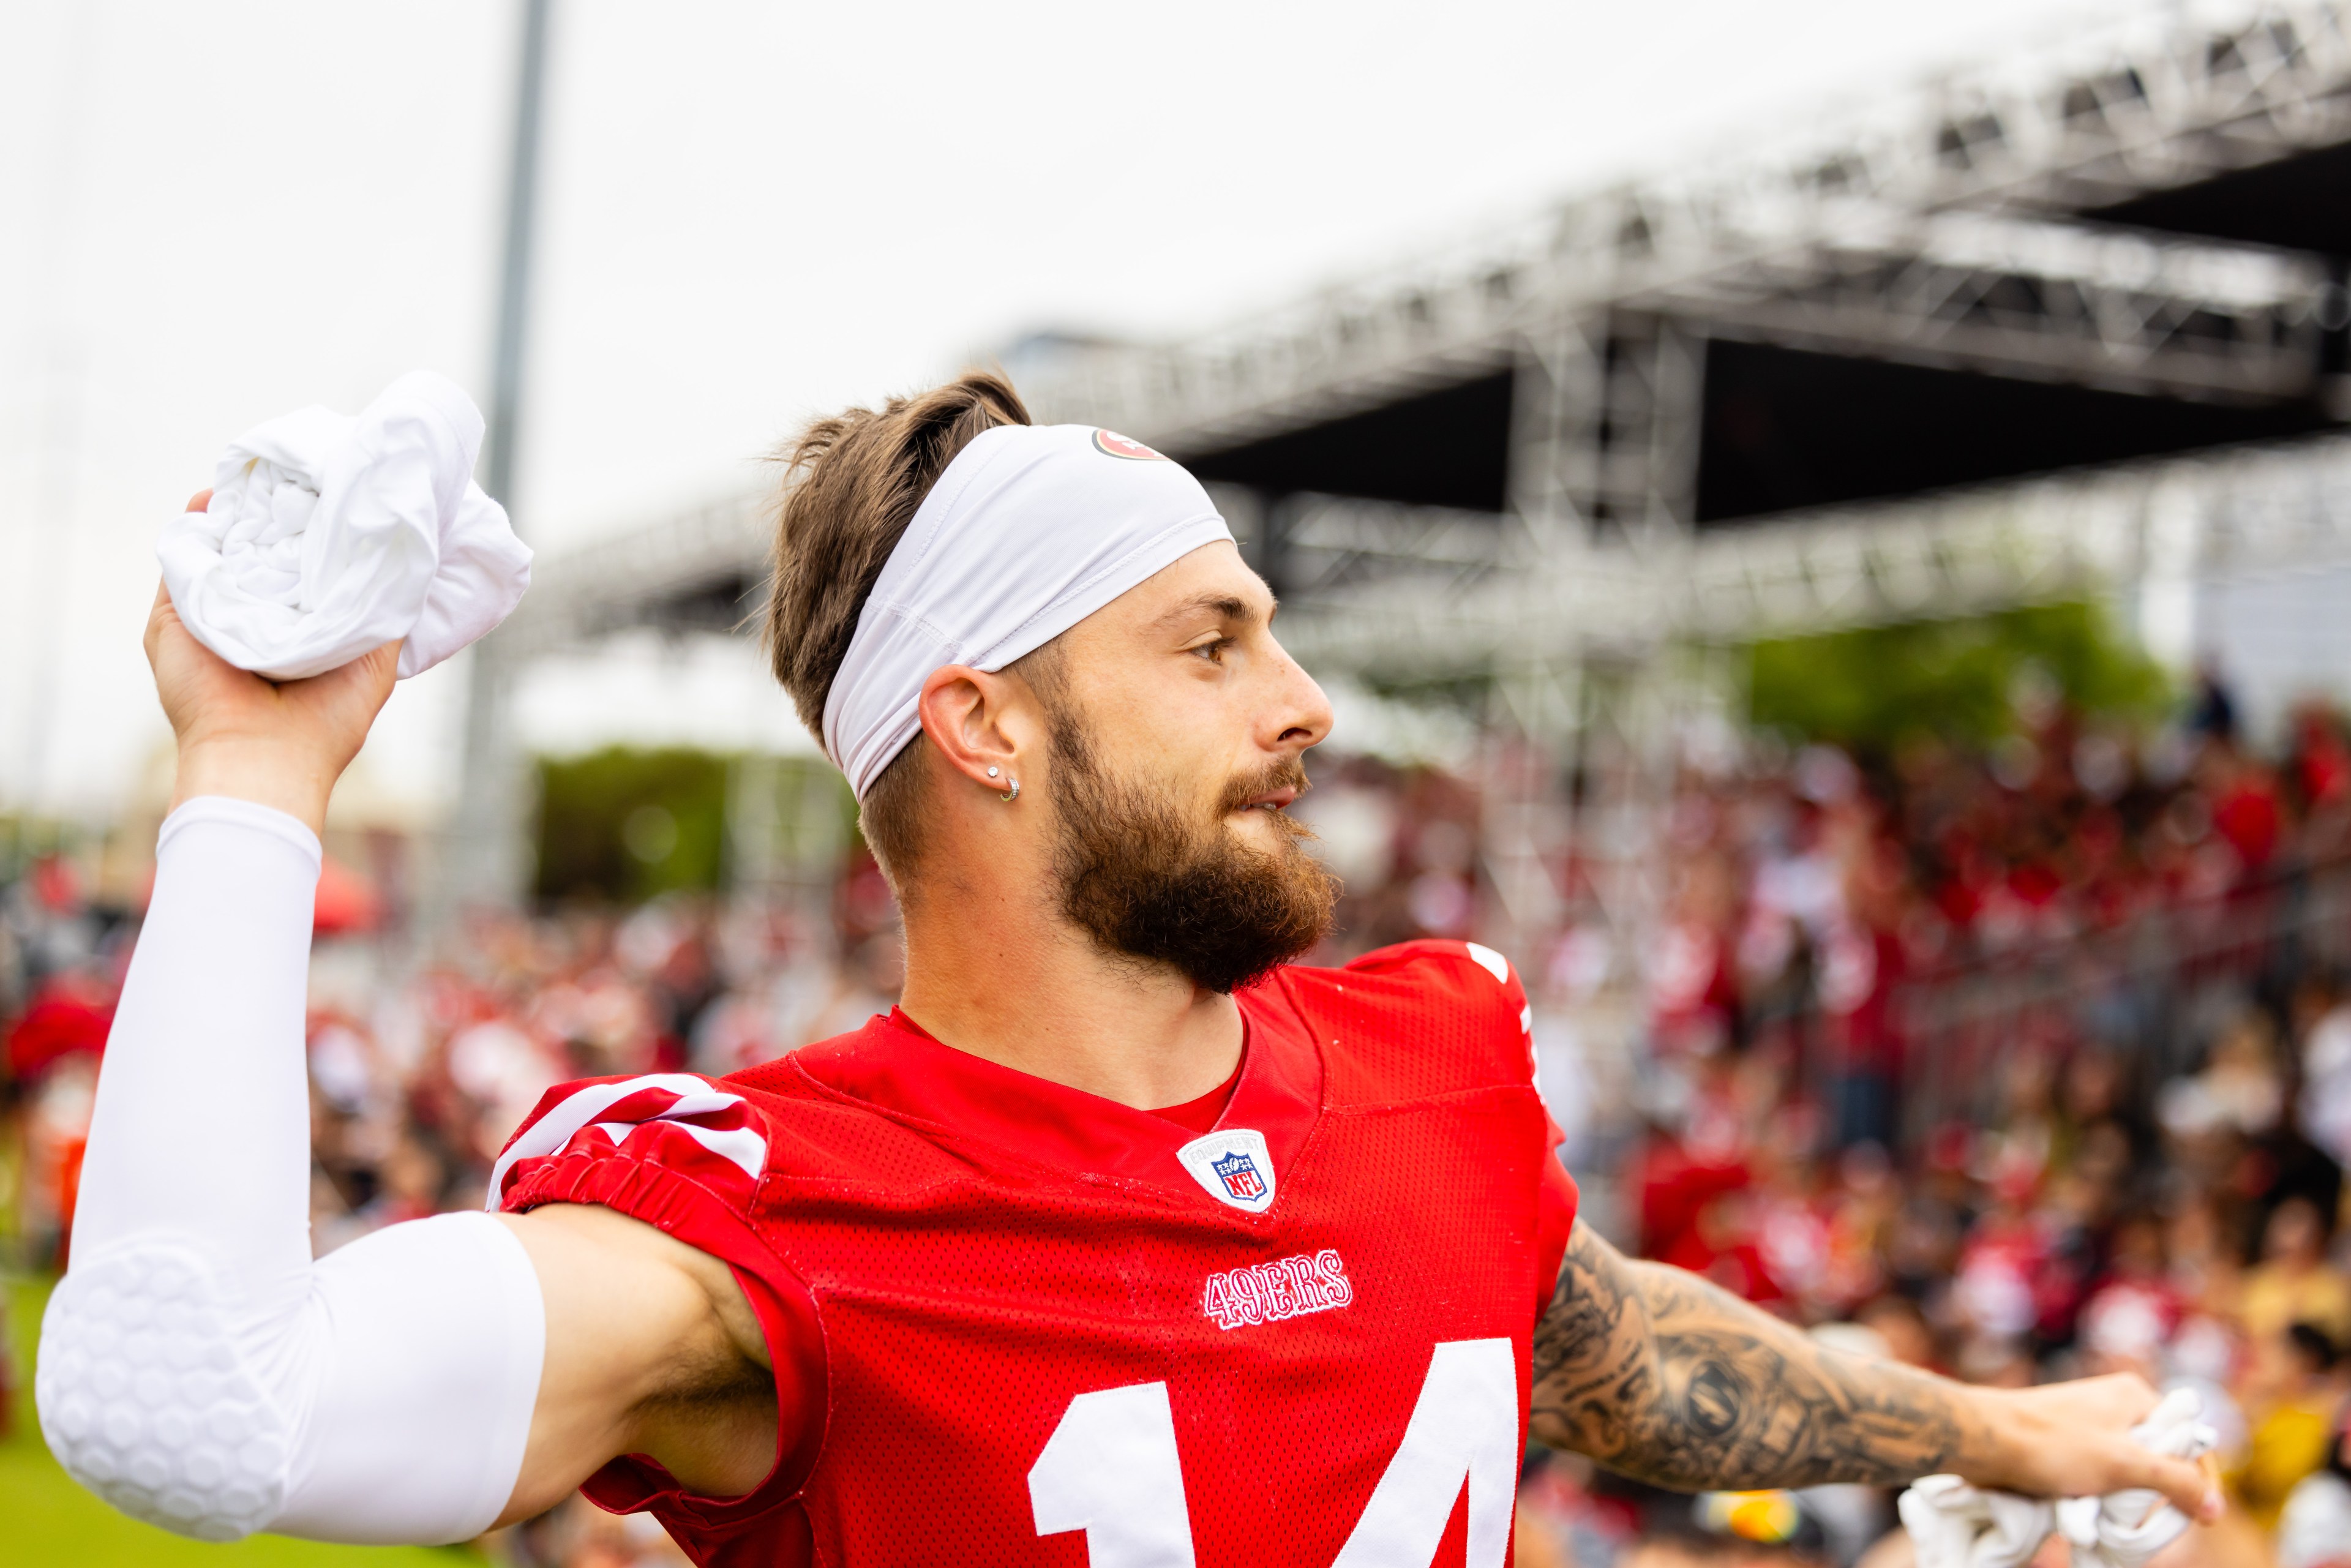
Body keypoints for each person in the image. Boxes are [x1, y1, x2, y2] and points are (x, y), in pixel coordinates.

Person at [39, 375, 2218, 1564]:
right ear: (982, 723)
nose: (1309, 700)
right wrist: (251, 768)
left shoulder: (1428, 1054)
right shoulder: (762, 1224)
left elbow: (1580, 1333)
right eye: (1212, 641)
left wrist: (1995, 1427)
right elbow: (197, 1406)